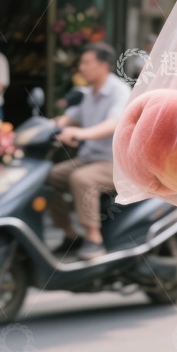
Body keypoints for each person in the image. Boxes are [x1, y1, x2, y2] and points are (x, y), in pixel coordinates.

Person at [47, 42, 131, 260]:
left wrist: (80, 134)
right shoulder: (86, 93)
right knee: (49, 176)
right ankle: (69, 234)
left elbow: (113, 123)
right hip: (89, 159)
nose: (81, 68)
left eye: (86, 62)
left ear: (103, 65)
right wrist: (46, 127)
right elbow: (66, 118)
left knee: (81, 178)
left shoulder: (119, 91)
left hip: (114, 163)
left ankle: (94, 239)